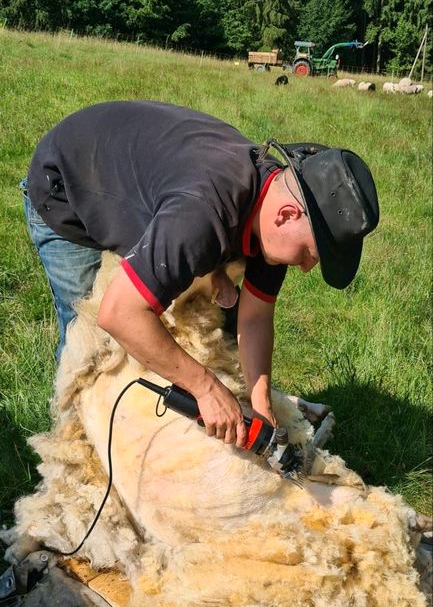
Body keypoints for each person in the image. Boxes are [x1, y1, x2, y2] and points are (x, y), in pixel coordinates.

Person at [22, 100, 379, 447]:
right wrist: (206, 388)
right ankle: (77, 454)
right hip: (67, 183)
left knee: (178, 307)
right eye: (310, 253)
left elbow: (254, 319)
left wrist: (263, 409)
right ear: (286, 215)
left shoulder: (270, 212)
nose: (306, 266)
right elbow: (118, 314)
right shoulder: (204, 213)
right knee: (88, 345)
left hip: (142, 184)